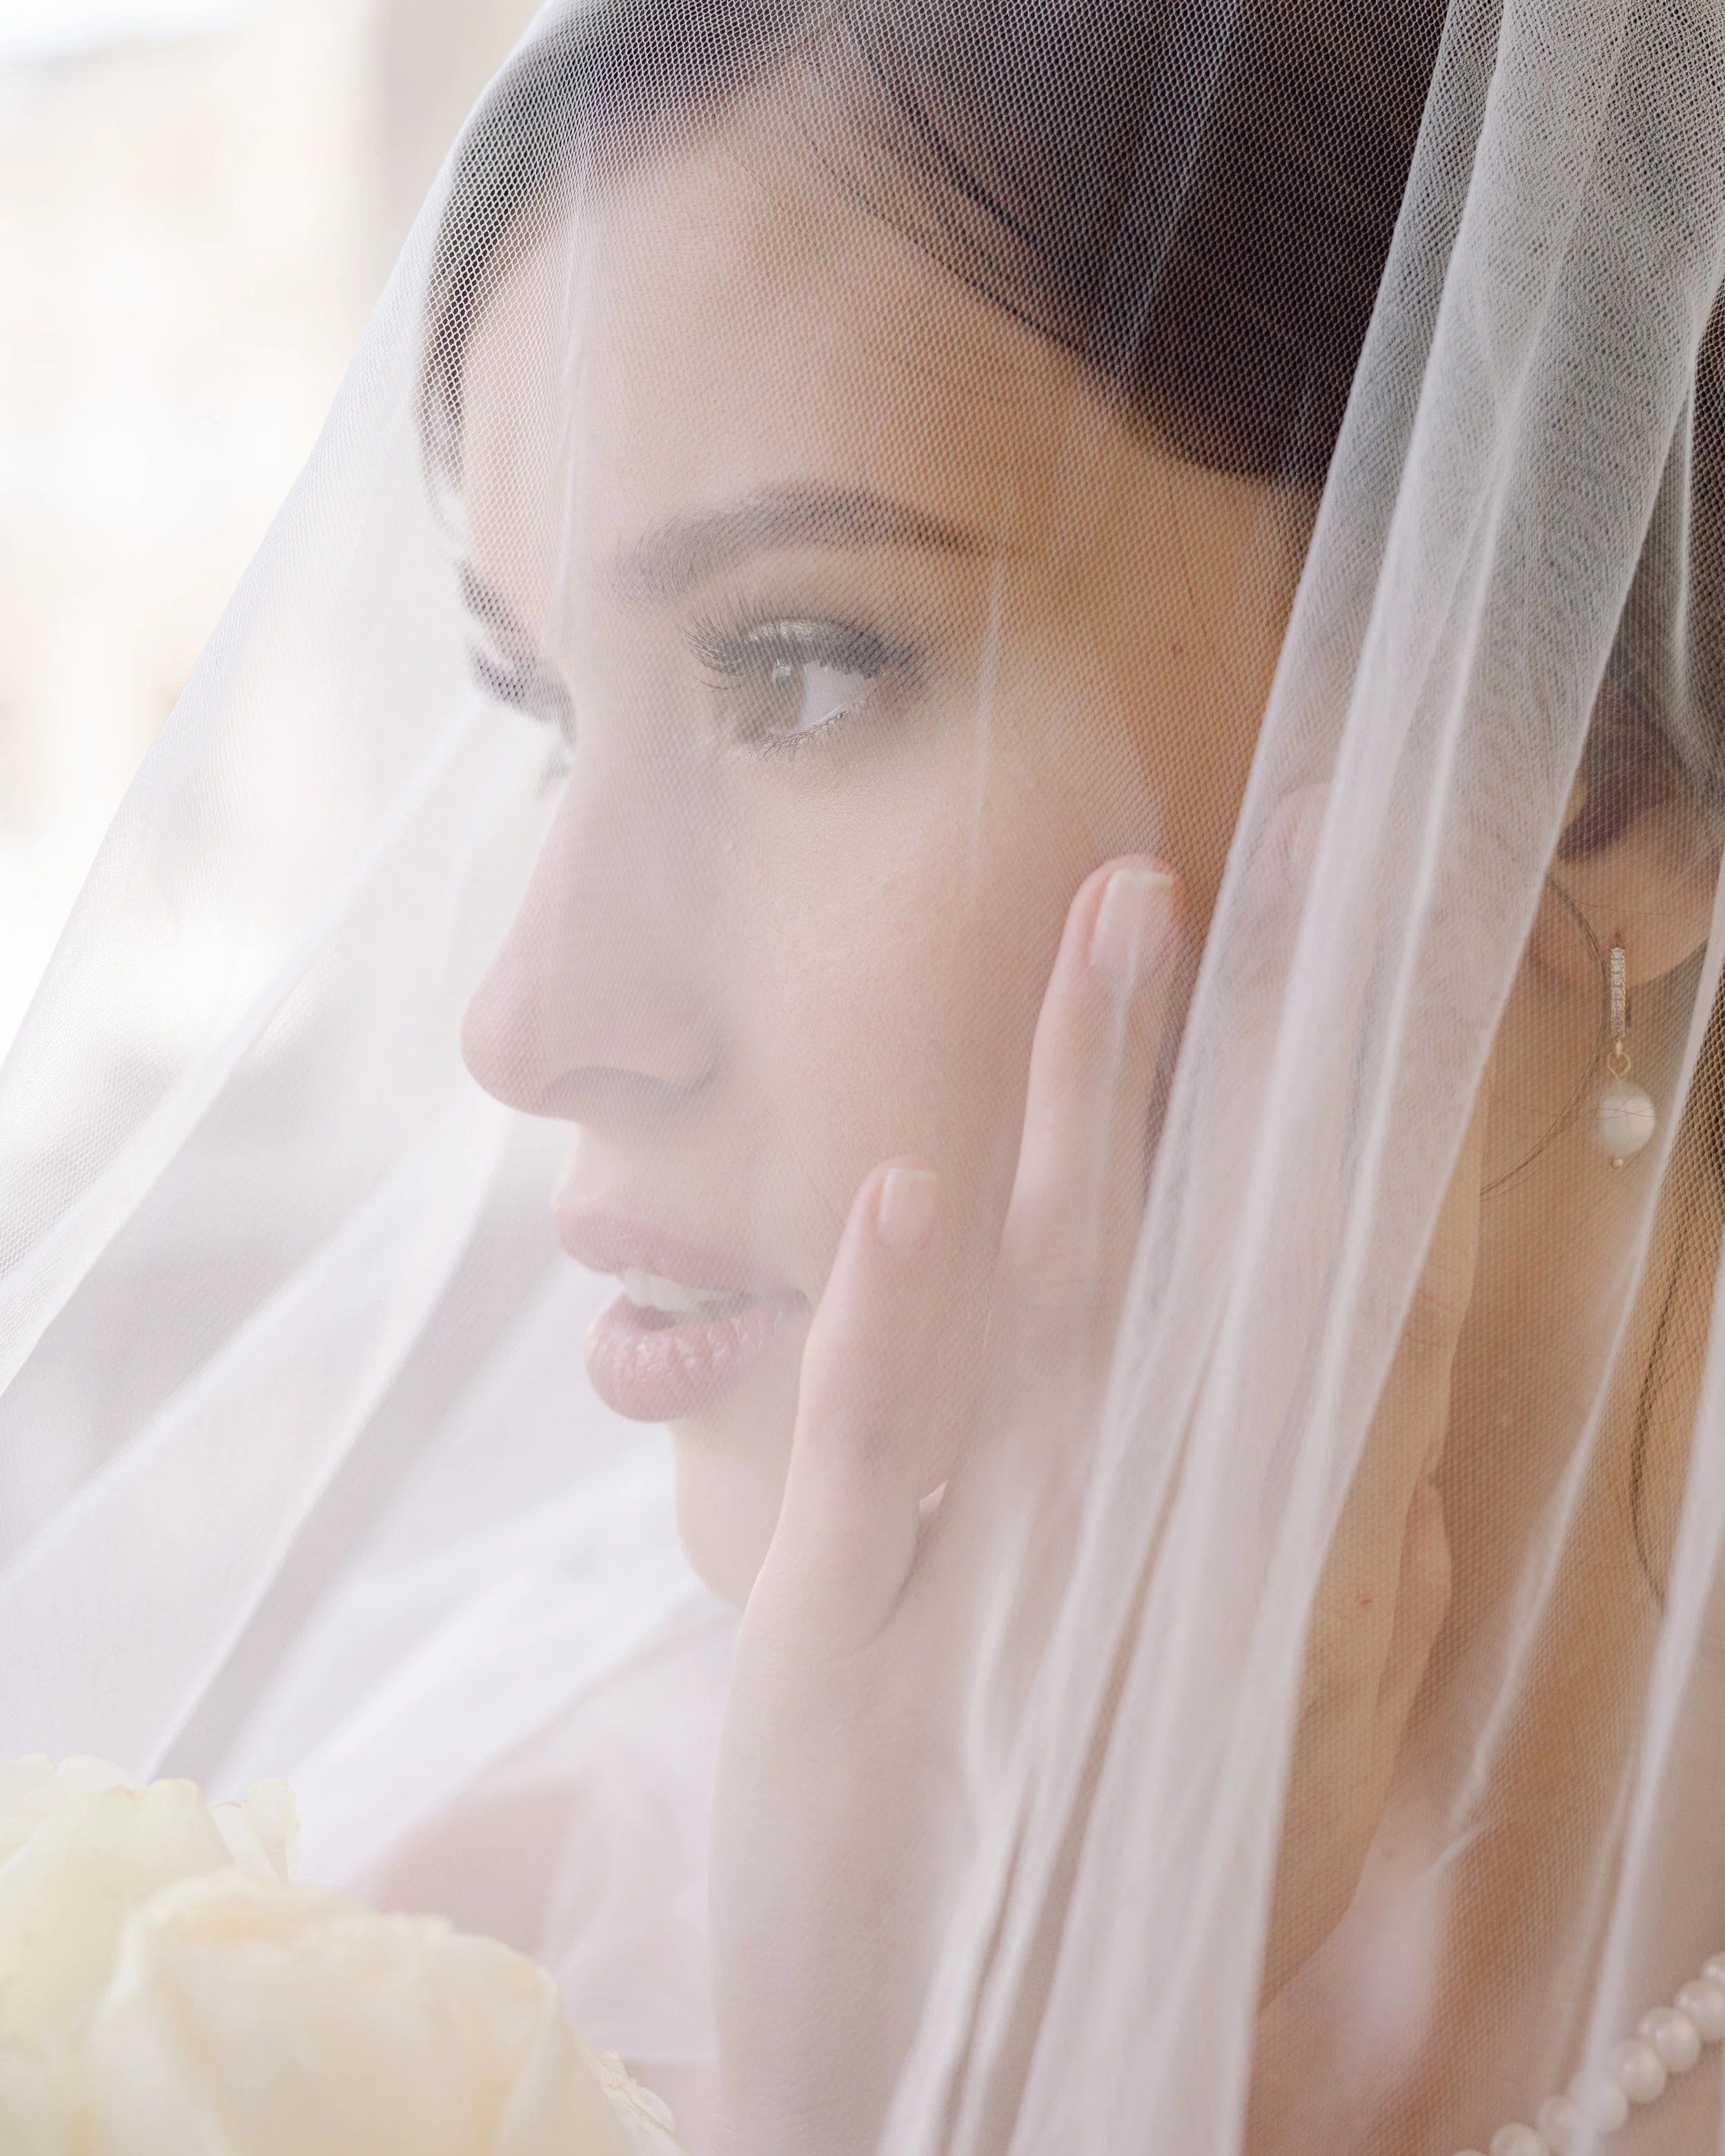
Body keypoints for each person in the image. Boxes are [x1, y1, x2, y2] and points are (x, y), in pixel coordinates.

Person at [3, 1, 1725, 2152]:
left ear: (1587, 759)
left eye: (802, 668)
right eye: (546, 714)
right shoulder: (392, 1991)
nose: (525, 1019)